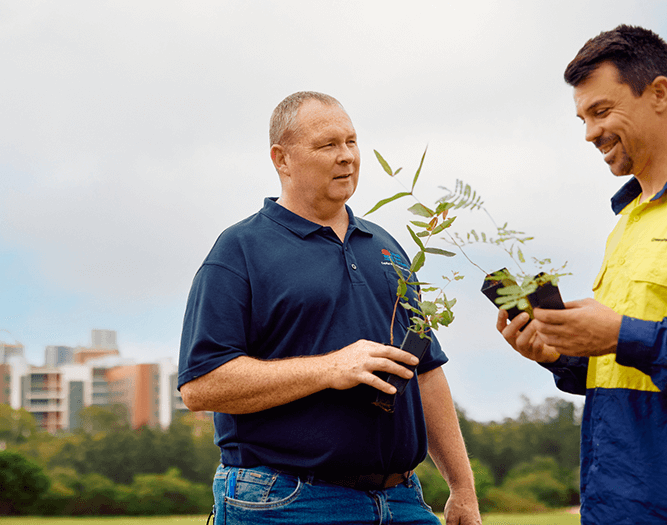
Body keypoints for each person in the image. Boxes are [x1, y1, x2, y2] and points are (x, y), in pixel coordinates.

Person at [497, 25, 667, 524]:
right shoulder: (625, 226)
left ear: (659, 93)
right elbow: (626, 367)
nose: (589, 133)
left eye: (601, 111)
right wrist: (559, 353)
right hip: (612, 505)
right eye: (582, 118)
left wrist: (622, 334)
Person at [178, 91, 481, 525]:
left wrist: (463, 488)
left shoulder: (388, 249)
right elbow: (201, 386)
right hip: (287, 502)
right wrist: (329, 369)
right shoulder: (239, 250)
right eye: (328, 145)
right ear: (281, 159)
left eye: (351, 142)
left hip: (403, 500)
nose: (347, 157)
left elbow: (425, 371)